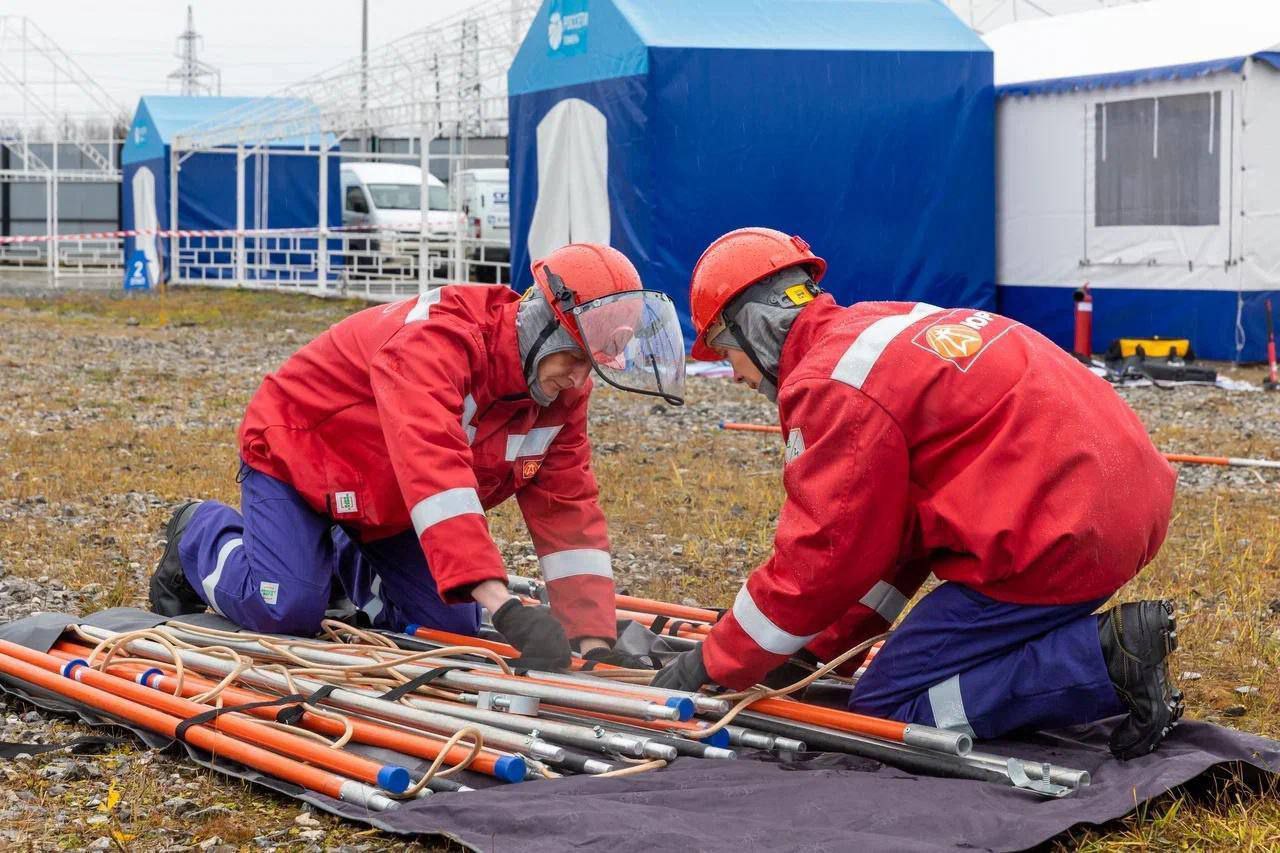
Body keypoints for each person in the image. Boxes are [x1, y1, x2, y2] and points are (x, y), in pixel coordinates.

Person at [652, 227, 1182, 760]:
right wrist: (814, 648)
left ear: (754, 326)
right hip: (1117, 501)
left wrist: (713, 661)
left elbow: (821, 559)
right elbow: (892, 540)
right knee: (930, 666)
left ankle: (1105, 661)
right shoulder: (878, 326)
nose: (734, 375)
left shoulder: (830, 383)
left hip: (1058, 536)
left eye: (725, 351)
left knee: (884, 710)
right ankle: (1087, 655)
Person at [149, 243, 686, 669]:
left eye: (593, 364)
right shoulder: (436, 341)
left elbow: (568, 512)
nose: (579, 378)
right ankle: (199, 534)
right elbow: (436, 472)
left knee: (447, 631)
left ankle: (335, 551)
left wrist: (591, 640)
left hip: (385, 498)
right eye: (573, 357)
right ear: (539, 324)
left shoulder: (561, 390)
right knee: (286, 608)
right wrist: (503, 605)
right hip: (297, 457)